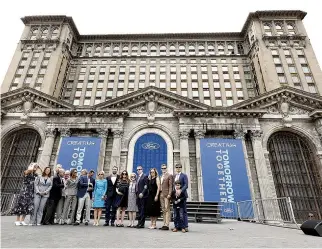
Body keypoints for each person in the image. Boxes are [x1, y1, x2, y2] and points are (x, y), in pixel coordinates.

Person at [173, 163, 189, 232]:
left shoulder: (184, 175)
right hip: (175, 197)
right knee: (176, 212)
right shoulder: (174, 176)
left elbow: (186, 185)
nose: (178, 168)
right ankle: (178, 226)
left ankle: (185, 226)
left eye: (179, 167)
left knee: (184, 212)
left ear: (181, 168)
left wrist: (180, 190)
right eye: (177, 167)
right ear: (175, 168)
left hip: (182, 196)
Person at [159, 164, 173, 230]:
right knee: (163, 209)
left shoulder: (169, 175)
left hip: (167, 194)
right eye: (162, 168)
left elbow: (170, 186)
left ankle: (167, 224)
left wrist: (169, 194)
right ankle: (164, 223)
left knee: (167, 209)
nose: (163, 169)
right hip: (161, 194)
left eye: (164, 168)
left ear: (166, 168)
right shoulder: (161, 176)